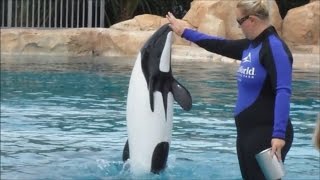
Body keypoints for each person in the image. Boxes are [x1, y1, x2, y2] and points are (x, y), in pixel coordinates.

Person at [166, 0, 294, 179]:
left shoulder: (274, 48)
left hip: (268, 134)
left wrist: (279, 134)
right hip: (247, 133)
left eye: (239, 22)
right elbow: (218, 44)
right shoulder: (250, 46)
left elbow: (283, 91)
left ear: (252, 20)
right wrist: (185, 32)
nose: (239, 27)